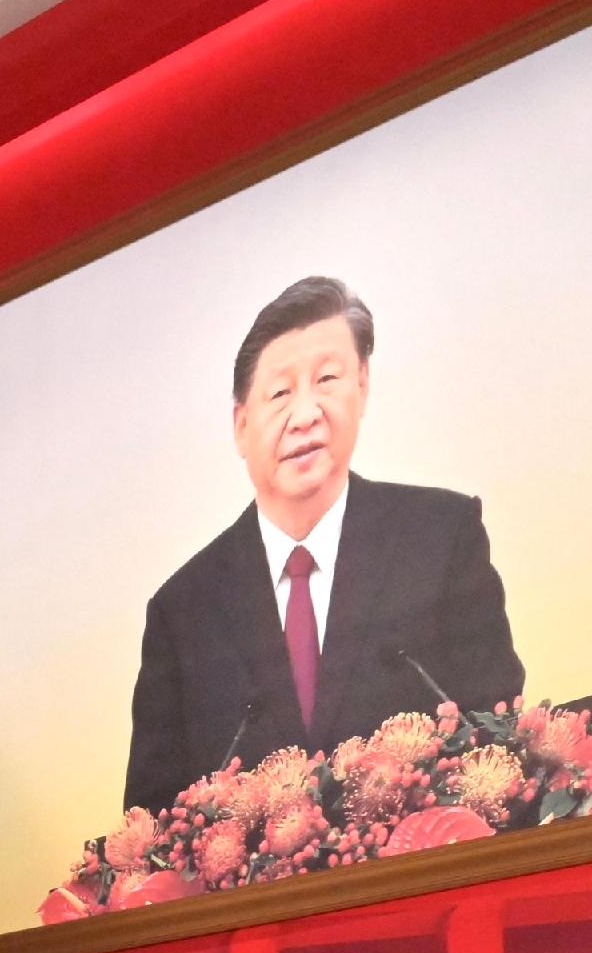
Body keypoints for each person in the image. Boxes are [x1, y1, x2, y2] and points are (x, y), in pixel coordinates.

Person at [120, 276, 524, 820]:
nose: (305, 413)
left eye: (327, 379)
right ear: (242, 425)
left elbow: (502, 749)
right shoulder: (182, 612)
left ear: (362, 388)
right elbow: (151, 832)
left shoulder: (441, 538)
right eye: (281, 392)